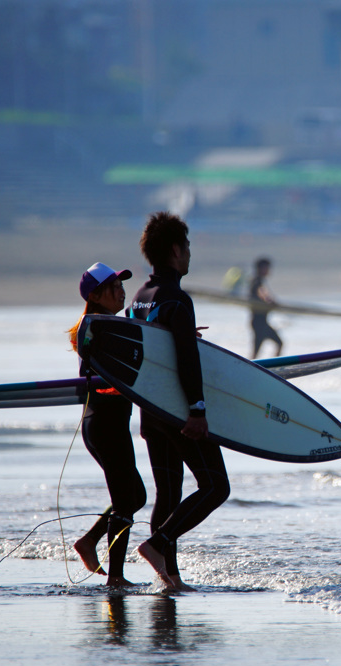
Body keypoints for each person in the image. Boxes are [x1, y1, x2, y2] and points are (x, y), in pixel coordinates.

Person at [128, 212, 230, 591]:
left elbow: (148, 352)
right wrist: (198, 410)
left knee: (168, 494)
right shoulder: (177, 300)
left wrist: (183, 334)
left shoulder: (139, 298)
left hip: (150, 412)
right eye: (186, 247)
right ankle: (158, 545)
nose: (189, 254)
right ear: (174, 250)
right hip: (178, 412)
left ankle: (169, 577)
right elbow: (187, 361)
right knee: (216, 486)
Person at [68, 262, 147, 587]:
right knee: (128, 500)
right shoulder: (94, 326)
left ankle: (89, 541)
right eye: (114, 287)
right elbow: (95, 373)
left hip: (109, 422)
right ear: (97, 295)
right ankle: (115, 578)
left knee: (135, 496)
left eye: (121, 285)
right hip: (104, 423)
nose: (122, 291)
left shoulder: (108, 324)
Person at [248, 256, 283, 359]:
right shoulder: (257, 281)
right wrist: (269, 300)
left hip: (262, 322)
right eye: (267, 268)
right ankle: (253, 369)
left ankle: (274, 366)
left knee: (279, 343)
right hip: (259, 323)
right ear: (260, 268)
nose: (268, 270)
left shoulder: (259, 281)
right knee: (256, 351)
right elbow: (262, 292)